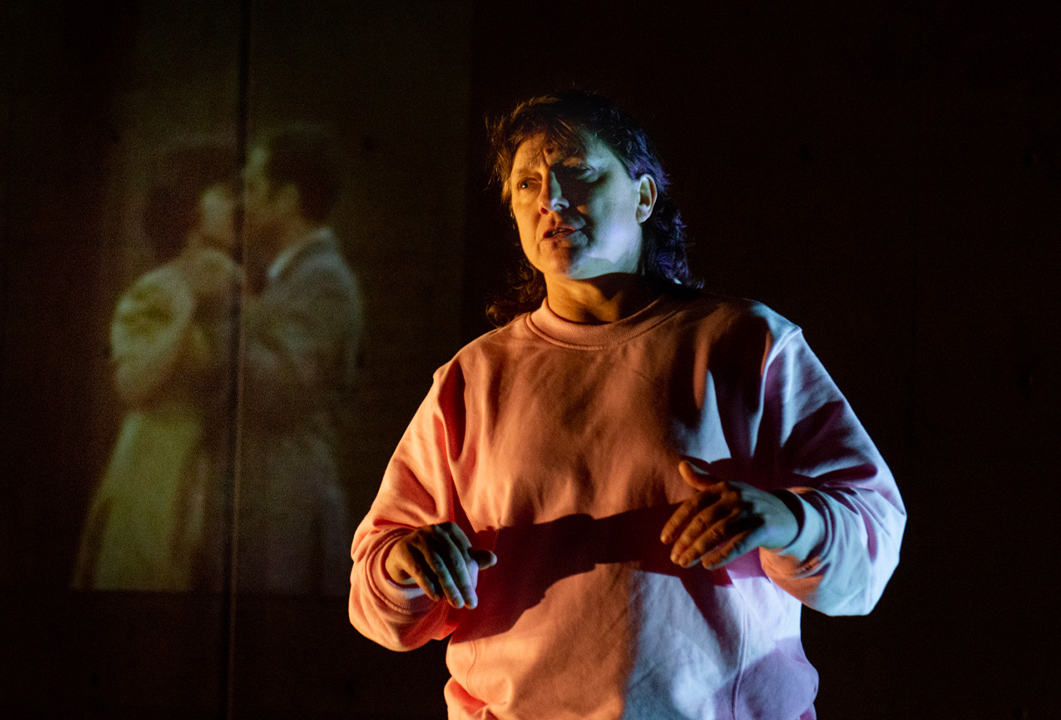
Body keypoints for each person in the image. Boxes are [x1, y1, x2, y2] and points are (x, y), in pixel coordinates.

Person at [348, 90, 905, 719]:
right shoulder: (473, 377)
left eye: (577, 172)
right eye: (527, 184)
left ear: (644, 198)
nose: (550, 200)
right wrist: (405, 560)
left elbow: (873, 538)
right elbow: (378, 597)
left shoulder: (747, 343)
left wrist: (788, 521)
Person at [73, 140, 239, 592]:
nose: (237, 205)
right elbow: (131, 385)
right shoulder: (158, 289)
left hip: (206, 474)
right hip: (154, 469)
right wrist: (187, 307)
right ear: (189, 205)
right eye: (224, 193)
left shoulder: (238, 285)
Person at [235, 125, 364, 595]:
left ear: (286, 198)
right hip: (272, 507)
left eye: (251, 187)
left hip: (290, 507)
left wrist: (217, 321)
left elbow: (279, 389)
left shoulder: (323, 280)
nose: (241, 203)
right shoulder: (290, 275)